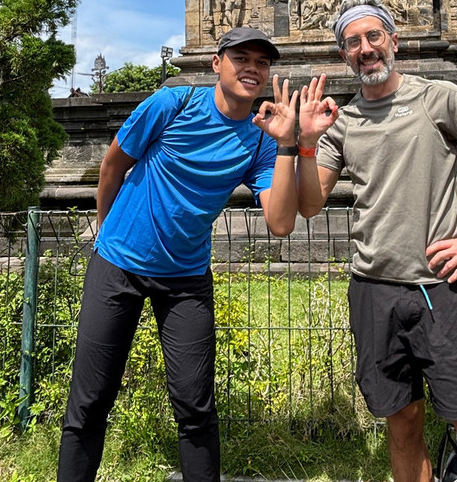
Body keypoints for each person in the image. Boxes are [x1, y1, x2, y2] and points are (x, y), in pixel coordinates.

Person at [285, 0, 457, 482]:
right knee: (402, 425)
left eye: (373, 36)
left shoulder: (436, 97)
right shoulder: (344, 123)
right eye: (352, 42)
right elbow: (310, 203)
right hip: (374, 290)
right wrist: (307, 140)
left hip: (441, 291)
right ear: (344, 55)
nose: (365, 49)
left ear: (393, 41)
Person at [57, 27, 302, 482]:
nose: (252, 68)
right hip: (118, 268)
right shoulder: (173, 105)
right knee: (91, 400)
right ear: (216, 63)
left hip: (186, 280)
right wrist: (106, 232)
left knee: (194, 406)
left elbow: (282, 223)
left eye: (262, 62)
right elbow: (112, 166)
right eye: (240, 58)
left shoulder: (261, 139)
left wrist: (289, 142)